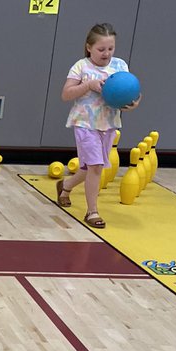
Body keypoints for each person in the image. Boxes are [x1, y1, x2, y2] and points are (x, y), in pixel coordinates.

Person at [58, 22, 140, 228]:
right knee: (95, 167)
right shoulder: (81, 66)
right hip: (85, 123)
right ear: (89, 47)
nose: (106, 53)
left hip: (109, 123)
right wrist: (88, 85)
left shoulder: (120, 66)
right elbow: (66, 94)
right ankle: (92, 212)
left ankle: (66, 186)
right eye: (101, 49)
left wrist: (132, 104)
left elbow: (130, 93)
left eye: (110, 48)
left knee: (90, 167)